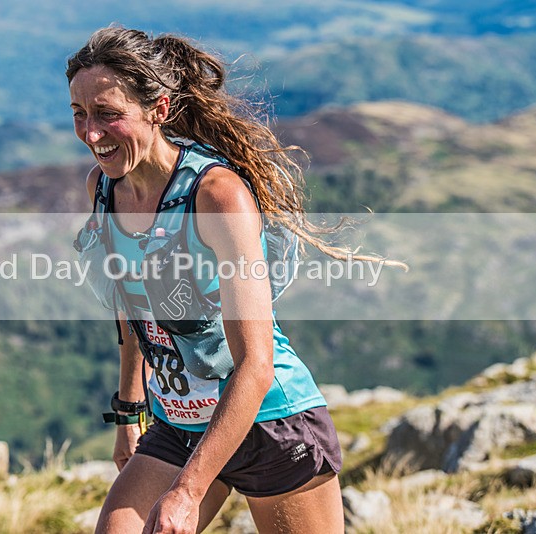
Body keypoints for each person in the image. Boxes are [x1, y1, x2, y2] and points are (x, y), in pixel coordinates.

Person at [67, 27, 365, 534]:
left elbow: (256, 362)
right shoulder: (103, 188)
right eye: (79, 114)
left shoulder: (216, 195)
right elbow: (133, 307)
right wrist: (130, 410)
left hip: (270, 422)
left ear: (158, 109)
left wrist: (188, 491)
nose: (91, 134)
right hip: (180, 425)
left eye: (109, 114)